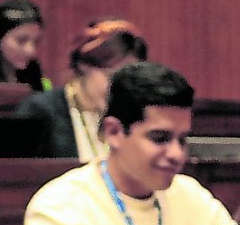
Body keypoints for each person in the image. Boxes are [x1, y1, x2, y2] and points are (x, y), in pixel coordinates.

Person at [16, 62, 236, 225]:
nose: (177, 154)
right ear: (114, 132)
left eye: (182, 139)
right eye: (160, 138)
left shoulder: (192, 196)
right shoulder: (58, 206)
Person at [16, 17, 148, 160]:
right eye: (112, 76)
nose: (122, 88)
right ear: (85, 66)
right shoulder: (40, 111)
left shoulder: (135, 115)